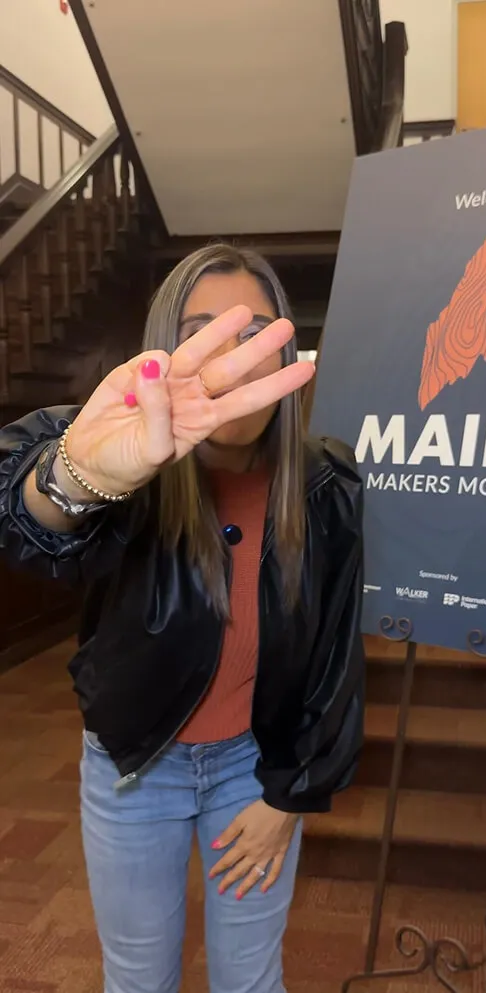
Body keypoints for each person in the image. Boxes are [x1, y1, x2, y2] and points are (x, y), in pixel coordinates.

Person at [0, 243, 364, 993]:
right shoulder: (120, 453)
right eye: (203, 329)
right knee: (138, 979)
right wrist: (75, 476)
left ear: (283, 348)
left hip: (250, 770)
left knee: (250, 979)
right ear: (167, 348)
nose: (232, 354)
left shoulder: (326, 483)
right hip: (133, 769)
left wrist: (288, 795)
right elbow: (26, 515)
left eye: (253, 331)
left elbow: (334, 659)